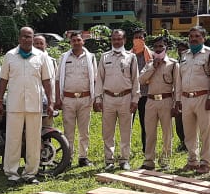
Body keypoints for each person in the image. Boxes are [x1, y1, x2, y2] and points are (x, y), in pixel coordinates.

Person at [0, 27, 54, 184]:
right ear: (19, 38)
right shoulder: (10, 56)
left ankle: (30, 173)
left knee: (34, 140)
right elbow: (3, 80)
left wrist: (51, 101)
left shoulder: (41, 56)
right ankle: (12, 173)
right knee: (13, 139)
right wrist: (0, 101)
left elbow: (47, 80)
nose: (26, 39)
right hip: (14, 104)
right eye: (24, 36)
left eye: (29, 37)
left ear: (33, 38)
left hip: (34, 105)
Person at [94, 29, 140, 171]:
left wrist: (135, 99)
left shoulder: (131, 57)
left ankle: (124, 159)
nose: (117, 41)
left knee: (126, 130)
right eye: (114, 39)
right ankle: (109, 160)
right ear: (111, 41)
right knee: (108, 131)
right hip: (108, 98)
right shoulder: (104, 57)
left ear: (124, 40)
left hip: (125, 98)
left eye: (119, 39)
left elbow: (135, 79)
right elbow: (99, 79)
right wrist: (98, 98)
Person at [176, 26, 210, 174]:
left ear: (203, 38)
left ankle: (205, 162)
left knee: (205, 132)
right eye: (191, 36)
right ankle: (192, 161)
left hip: (203, 97)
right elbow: (179, 79)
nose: (194, 39)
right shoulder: (184, 55)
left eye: (197, 36)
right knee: (189, 132)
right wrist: (178, 99)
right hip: (186, 98)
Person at [57, 30, 96, 167]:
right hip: (68, 99)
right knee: (68, 131)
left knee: (84, 131)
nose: (76, 42)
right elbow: (57, 80)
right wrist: (57, 99)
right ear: (70, 42)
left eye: (79, 40)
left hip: (85, 99)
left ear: (83, 41)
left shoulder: (90, 57)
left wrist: (96, 98)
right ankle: (68, 157)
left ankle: (83, 157)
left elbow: (95, 79)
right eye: (74, 41)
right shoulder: (63, 58)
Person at [139, 36, 179, 170]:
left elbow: (177, 86)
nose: (158, 49)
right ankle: (149, 160)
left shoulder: (173, 64)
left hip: (166, 100)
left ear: (166, 47)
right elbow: (141, 80)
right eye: (156, 47)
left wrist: (176, 104)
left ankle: (165, 159)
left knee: (167, 132)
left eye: (161, 46)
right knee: (150, 132)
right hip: (150, 101)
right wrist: (153, 67)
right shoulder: (149, 63)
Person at [130, 28, 152, 152]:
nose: (138, 39)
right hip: (131, 96)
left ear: (144, 39)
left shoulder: (151, 55)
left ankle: (146, 150)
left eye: (140, 37)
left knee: (145, 124)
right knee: (128, 124)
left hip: (145, 95)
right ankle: (125, 150)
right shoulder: (128, 55)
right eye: (136, 37)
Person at [32, 34, 59, 128]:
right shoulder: (28, 60)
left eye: (41, 43)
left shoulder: (52, 61)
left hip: (47, 101)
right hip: (32, 102)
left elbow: (56, 82)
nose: (39, 46)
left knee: (47, 129)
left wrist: (54, 100)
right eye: (36, 43)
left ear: (46, 45)